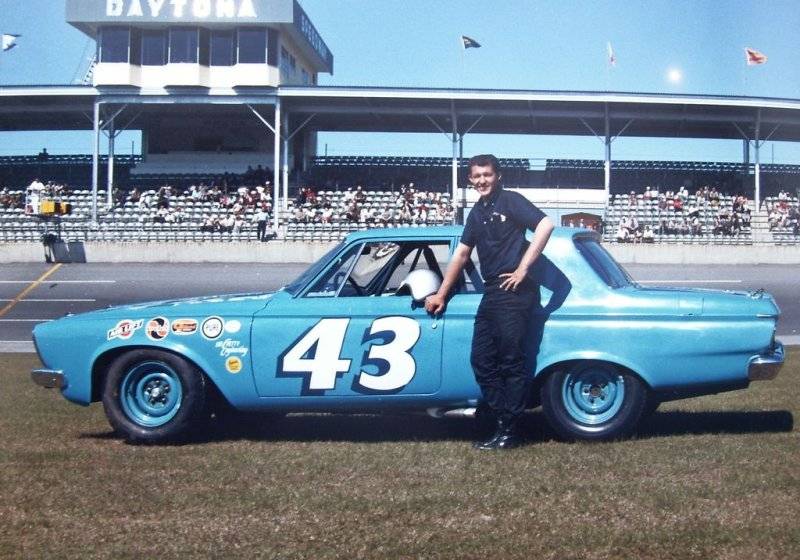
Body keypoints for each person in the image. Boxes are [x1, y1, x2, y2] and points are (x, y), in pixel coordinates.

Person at [425, 154, 554, 450]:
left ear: (498, 176)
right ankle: (504, 421)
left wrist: (523, 270)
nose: (482, 180)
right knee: (481, 359)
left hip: (514, 291)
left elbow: (545, 225)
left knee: (511, 360)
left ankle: (511, 430)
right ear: (470, 180)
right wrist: (442, 293)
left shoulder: (511, 200)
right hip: (493, 293)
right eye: (476, 176)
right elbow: (461, 254)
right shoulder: (477, 211)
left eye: (487, 174)